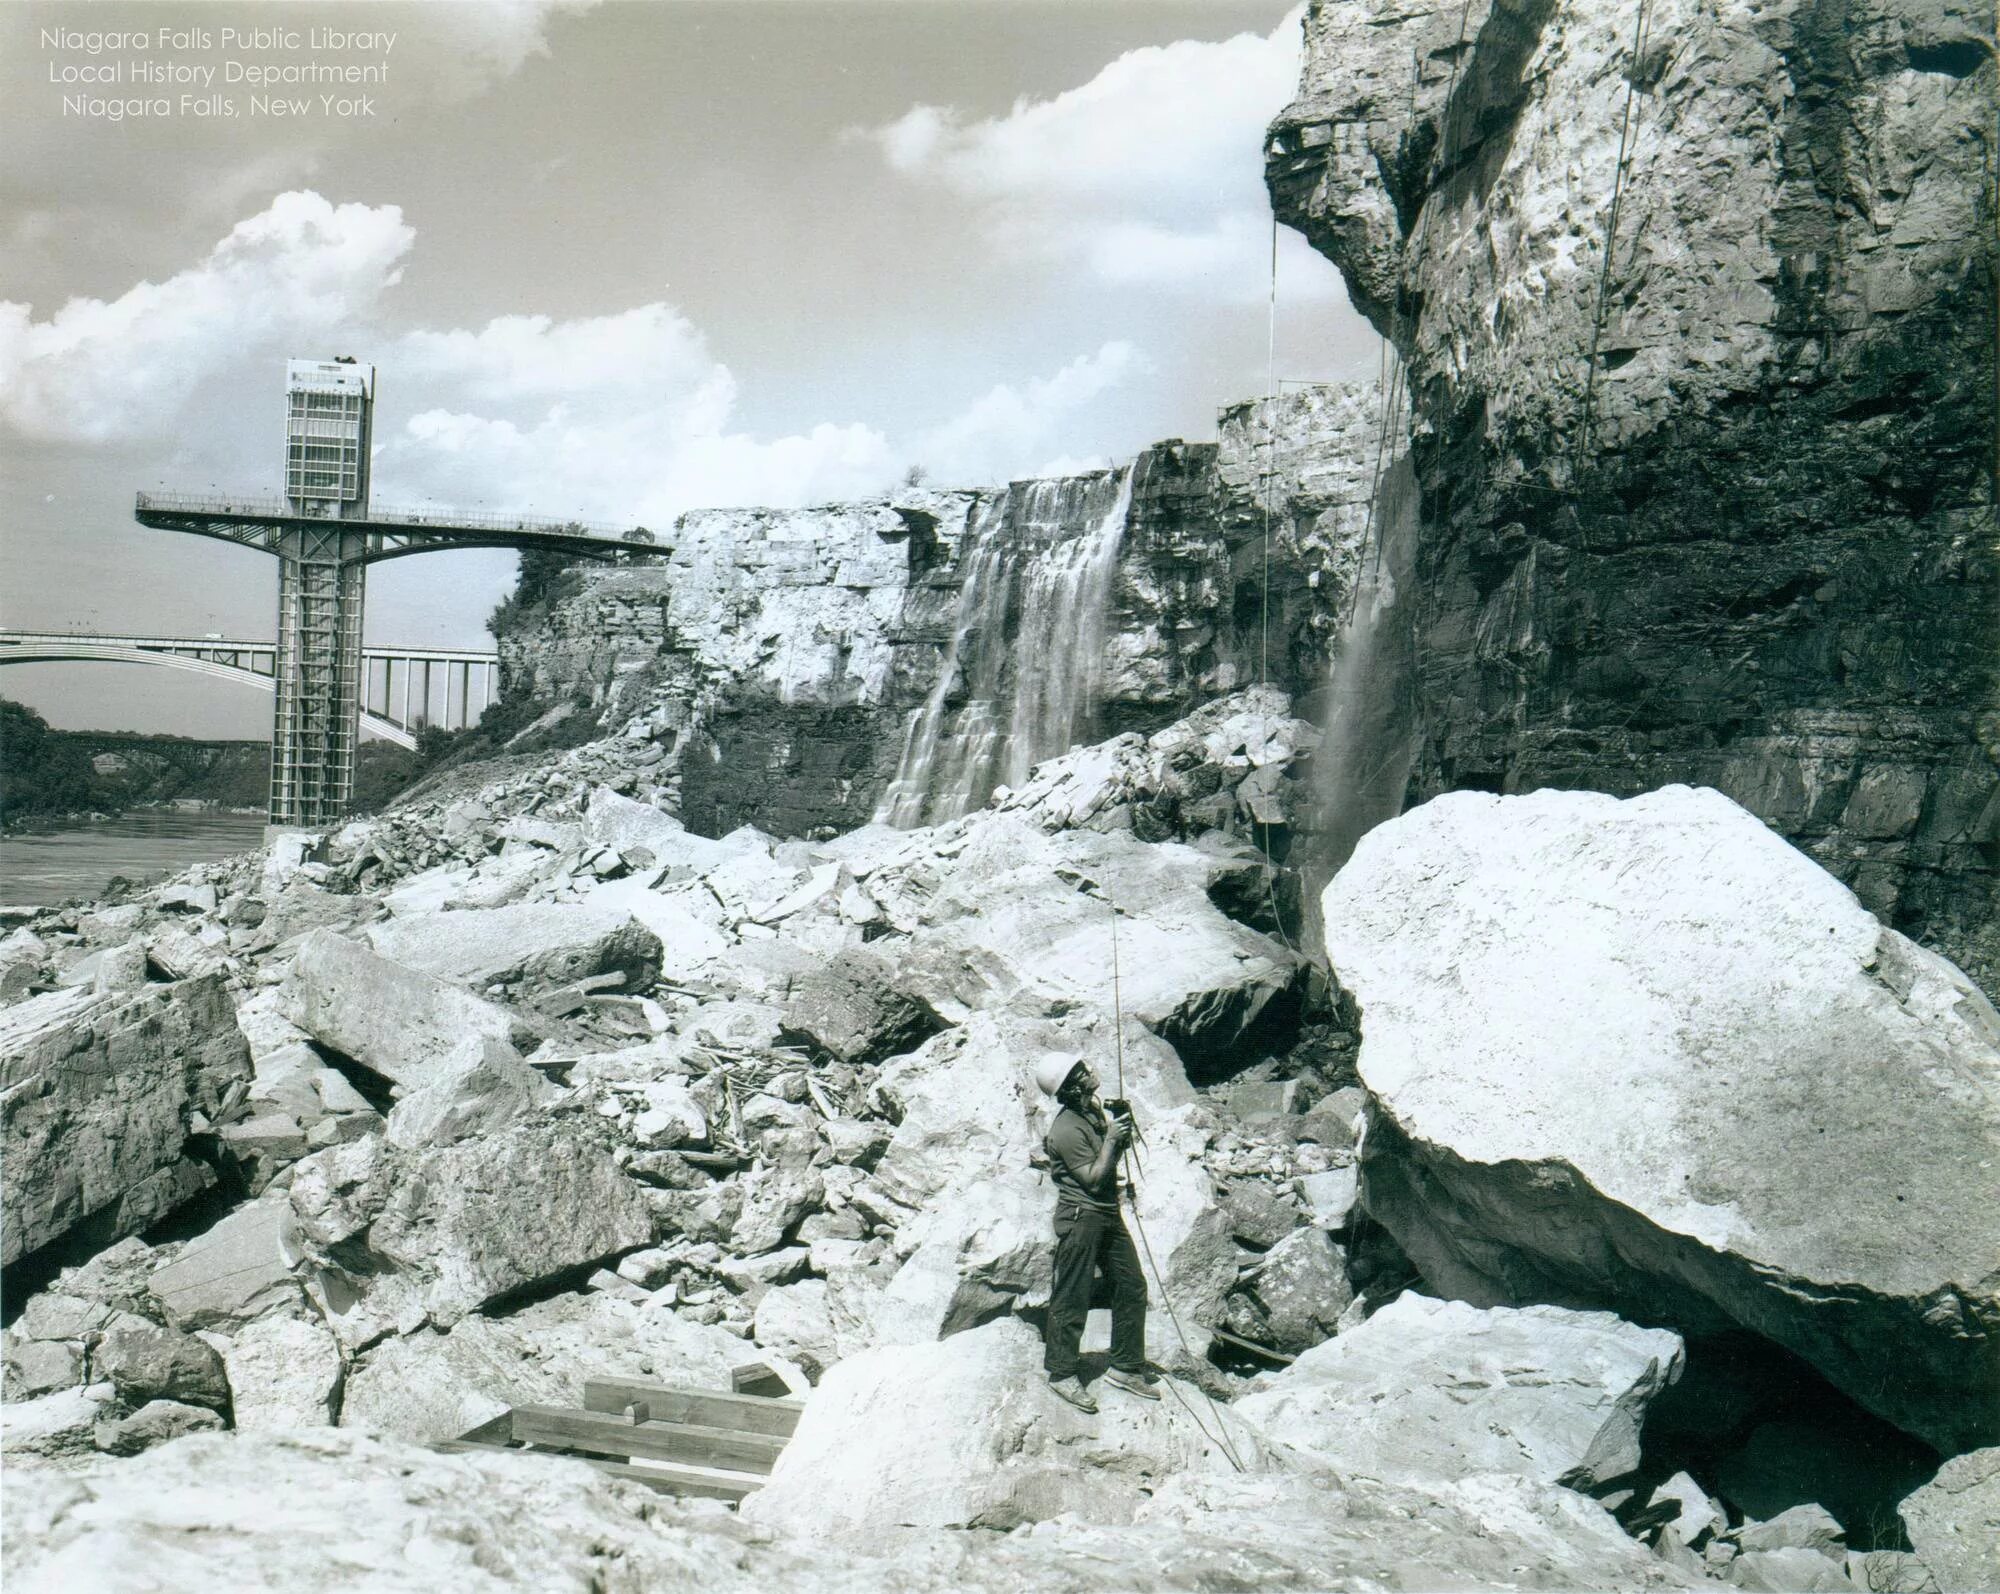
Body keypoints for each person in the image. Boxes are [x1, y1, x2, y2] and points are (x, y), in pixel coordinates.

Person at [1033, 1051, 1160, 1413]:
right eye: (1081, 1071)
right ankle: (1061, 1373)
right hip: (1082, 1216)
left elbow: (1108, 1163)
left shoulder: (1091, 1112)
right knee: (1073, 1293)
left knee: (1131, 1284)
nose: (1089, 1071)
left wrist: (1119, 1134)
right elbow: (1091, 1179)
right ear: (1071, 1085)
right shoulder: (1066, 1129)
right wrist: (1110, 1141)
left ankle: (1125, 1366)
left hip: (1105, 1213)